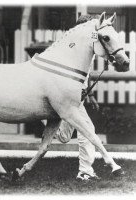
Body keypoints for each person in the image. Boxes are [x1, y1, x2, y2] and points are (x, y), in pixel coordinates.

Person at [55, 14, 101, 181]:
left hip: (76, 99)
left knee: (64, 137)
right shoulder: (71, 46)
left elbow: (85, 76)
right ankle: (85, 171)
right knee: (87, 132)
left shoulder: (89, 48)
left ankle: (46, 118)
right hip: (67, 98)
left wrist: (90, 96)